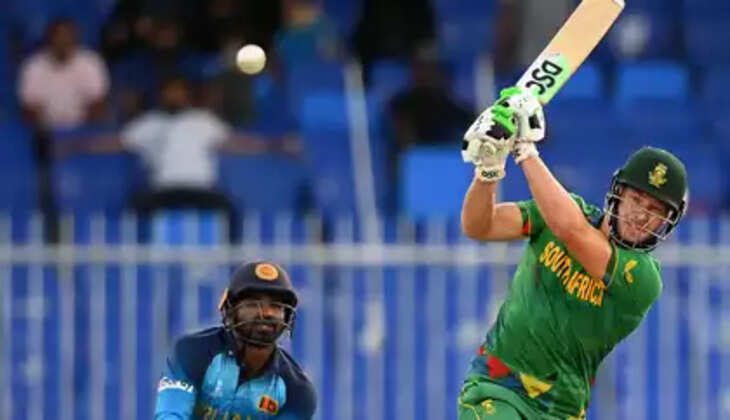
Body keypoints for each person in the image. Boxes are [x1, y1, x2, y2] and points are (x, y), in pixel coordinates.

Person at [458, 87, 688, 419]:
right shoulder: (562, 212)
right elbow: (480, 226)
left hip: (561, 410)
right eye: (637, 200)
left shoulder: (643, 278)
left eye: (656, 211)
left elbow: (572, 232)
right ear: (617, 194)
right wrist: (488, 171)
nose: (642, 216)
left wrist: (524, 149)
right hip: (498, 387)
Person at [155, 261, 317, 419]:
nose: (267, 313)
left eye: (276, 306)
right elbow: (171, 414)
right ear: (230, 311)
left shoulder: (297, 392)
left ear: (287, 316)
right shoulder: (192, 352)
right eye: (253, 303)